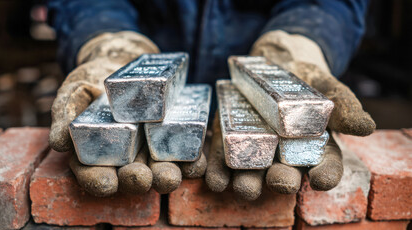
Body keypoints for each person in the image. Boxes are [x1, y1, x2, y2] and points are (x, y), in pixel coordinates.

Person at [47, 0, 375, 200]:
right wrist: (107, 43)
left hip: (250, 60)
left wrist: (301, 45)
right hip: (148, 50)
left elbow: (330, 3)